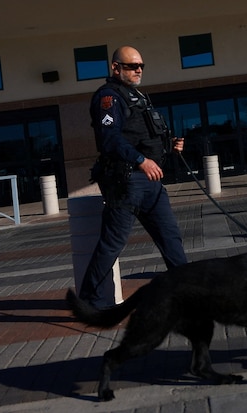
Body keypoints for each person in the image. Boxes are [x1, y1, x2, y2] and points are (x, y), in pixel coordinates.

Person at [79, 45, 187, 309]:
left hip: (150, 182)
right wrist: (141, 160)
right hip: (126, 181)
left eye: (141, 65)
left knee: (170, 236)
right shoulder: (109, 97)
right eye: (131, 66)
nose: (138, 70)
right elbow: (109, 138)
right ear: (115, 68)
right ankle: (87, 301)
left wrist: (168, 147)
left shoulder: (137, 96)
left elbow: (140, 137)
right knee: (112, 243)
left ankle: (186, 290)